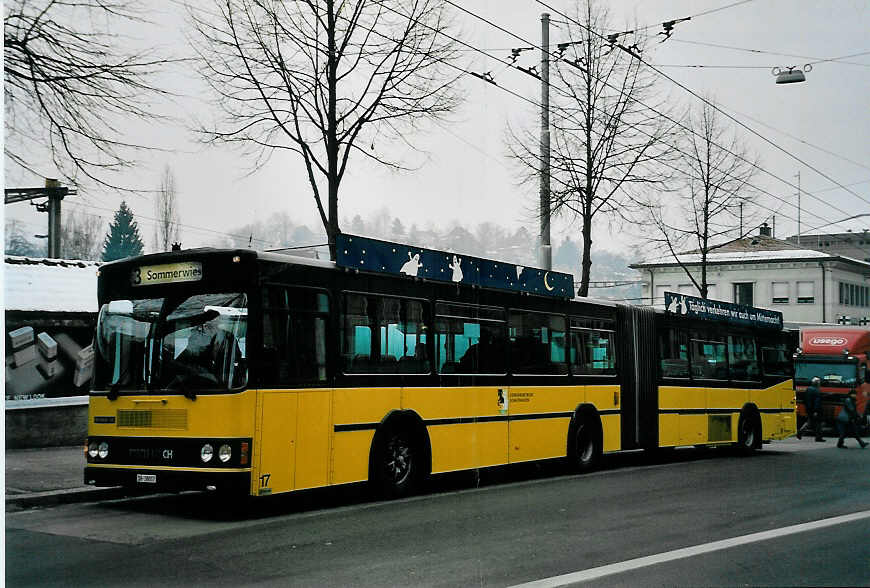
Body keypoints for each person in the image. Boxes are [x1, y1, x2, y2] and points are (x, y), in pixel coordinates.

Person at [797, 377, 825, 442]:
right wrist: (815, 411)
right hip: (815, 410)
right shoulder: (817, 391)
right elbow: (817, 402)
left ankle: (800, 432)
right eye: (819, 383)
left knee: (810, 422)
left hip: (808, 409)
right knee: (818, 423)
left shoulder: (808, 389)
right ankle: (818, 437)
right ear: (817, 384)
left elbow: (805, 400)